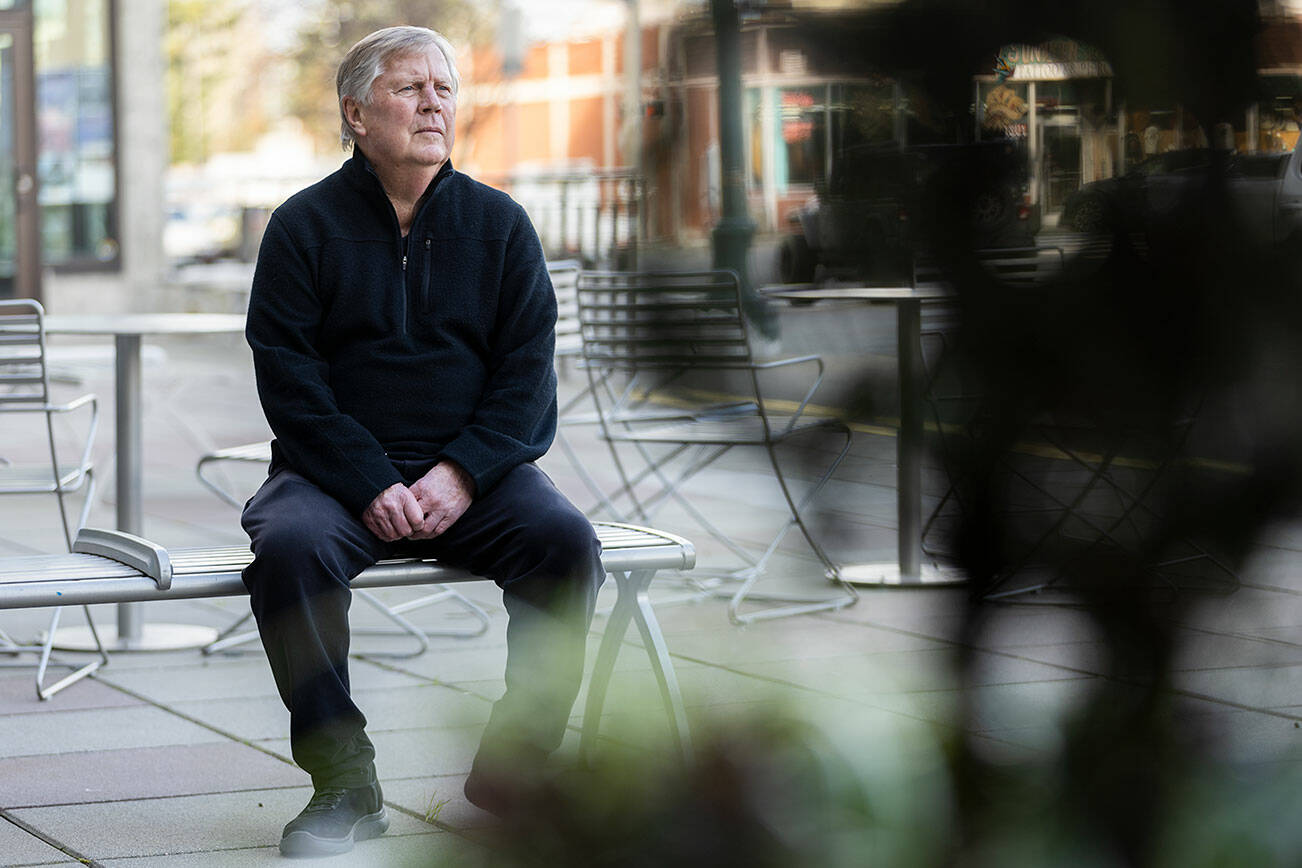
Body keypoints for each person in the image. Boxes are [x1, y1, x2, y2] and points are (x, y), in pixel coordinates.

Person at [240, 25, 603, 859]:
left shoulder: (501, 224)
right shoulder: (301, 227)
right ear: (356, 113)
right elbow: (289, 380)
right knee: (290, 547)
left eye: (444, 88)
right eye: (411, 87)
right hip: (333, 477)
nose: (435, 102)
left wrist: (465, 472)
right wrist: (369, 480)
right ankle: (343, 780)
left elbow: (528, 375)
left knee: (564, 541)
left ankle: (516, 770)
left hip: (473, 475)